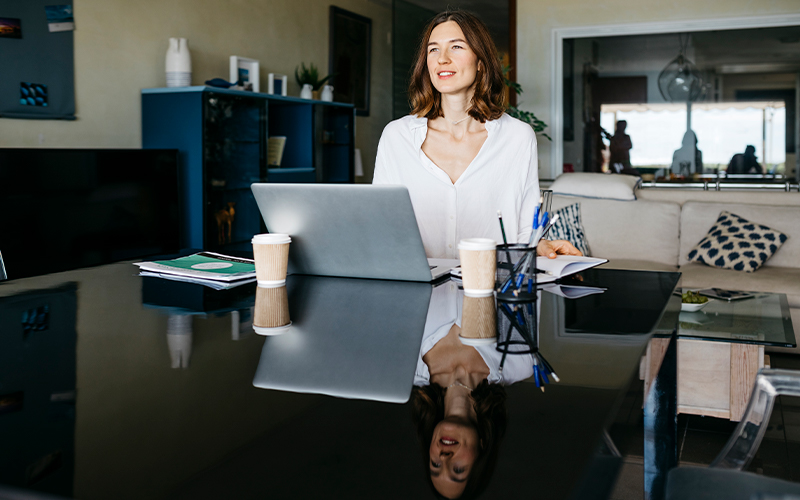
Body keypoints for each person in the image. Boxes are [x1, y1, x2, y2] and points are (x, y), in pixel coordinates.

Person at [372, 10, 580, 261]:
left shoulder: (517, 137)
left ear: (481, 62)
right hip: (416, 291)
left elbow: (526, 227)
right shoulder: (397, 137)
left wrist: (540, 245)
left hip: (492, 289)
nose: (442, 59)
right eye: (433, 50)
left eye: (456, 46)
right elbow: (381, 225)